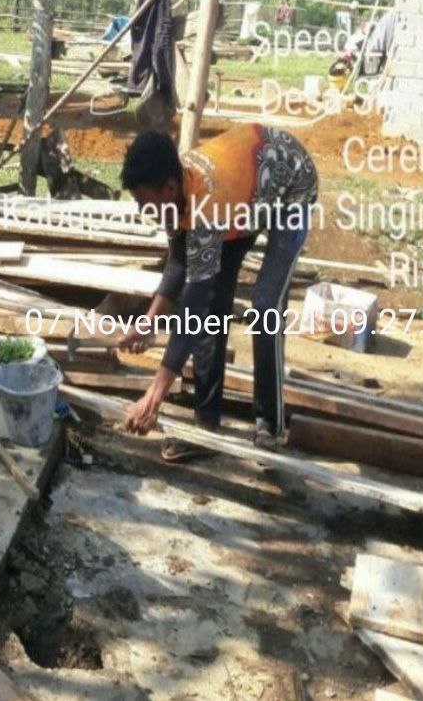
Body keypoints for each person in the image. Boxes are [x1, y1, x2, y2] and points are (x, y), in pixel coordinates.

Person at [117, 126, 318, 460]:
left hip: (290, 185)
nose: (143, 210)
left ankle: (271, 423)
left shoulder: (204, 206)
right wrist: (148, 323)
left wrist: (153, 397)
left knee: (265, 305)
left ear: (168, 188)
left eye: (144, 202)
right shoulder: (173, 197)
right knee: (212, 309)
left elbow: (190, 313)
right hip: (243, 194)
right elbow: (179, 264)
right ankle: (206, 426)